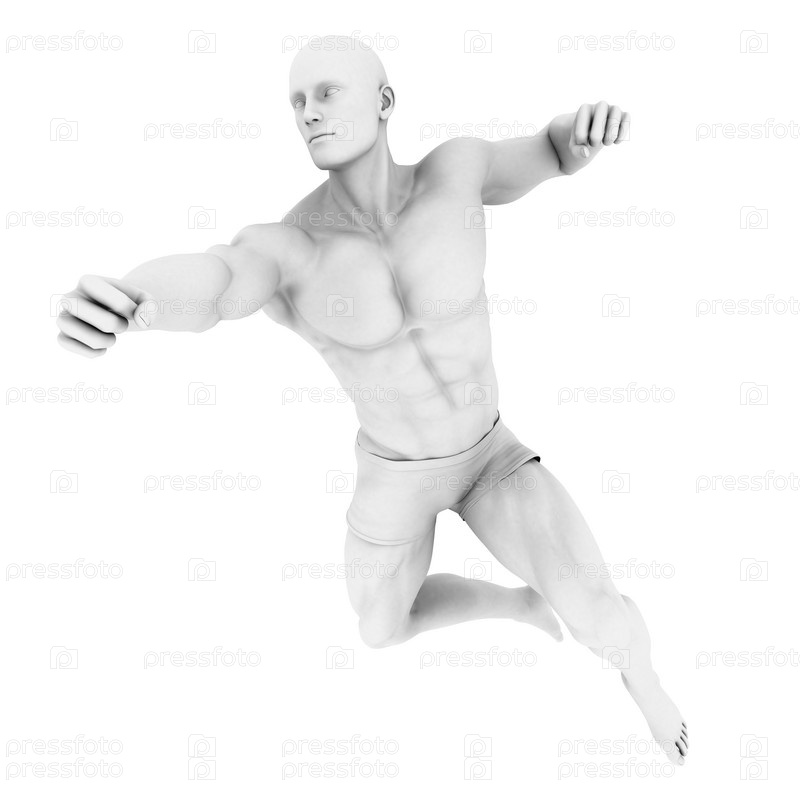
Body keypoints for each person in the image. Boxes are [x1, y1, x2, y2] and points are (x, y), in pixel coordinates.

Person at [56, 35, 687, 764]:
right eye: (297, 101)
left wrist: (580, 134)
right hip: (395, 473)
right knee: (381, 628)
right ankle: (515, 603)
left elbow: (548, 150)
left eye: (327, 92)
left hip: (492, 456)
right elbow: (219, 281)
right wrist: (134, 300)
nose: (309, 113)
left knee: (603, 618)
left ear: (385, 102)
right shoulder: (289, 248)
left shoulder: (457, 172)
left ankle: (644, 682)